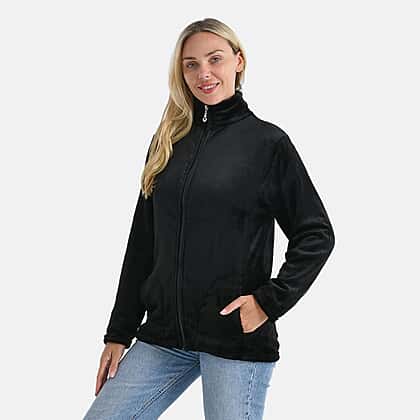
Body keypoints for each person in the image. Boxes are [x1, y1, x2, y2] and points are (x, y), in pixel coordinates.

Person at [83, 17, 335, 420]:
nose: (204, 73)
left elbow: (316, 233)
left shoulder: (267, 144)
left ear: (238, 61)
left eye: (215, 59)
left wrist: (267, 302)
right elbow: (142, 243)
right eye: (191, 64)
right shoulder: (167, 142)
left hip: (233, 337)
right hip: (164, 335)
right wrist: (119, 332)